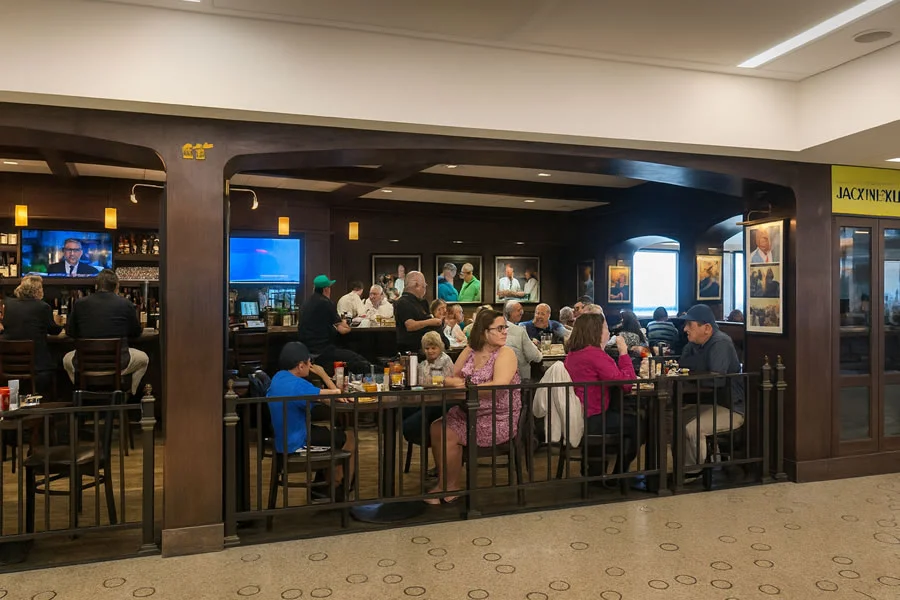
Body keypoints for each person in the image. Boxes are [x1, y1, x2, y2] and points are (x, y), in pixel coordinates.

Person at [426, 310, 521, 504]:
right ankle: (446, 484)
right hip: (468, 411)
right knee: (437, 427)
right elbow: (452, 376)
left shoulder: (506, 353)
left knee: (448, 432)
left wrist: (467, 387)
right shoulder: (470, 350)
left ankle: (449, 487)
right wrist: (452, 382)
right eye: (500, 328)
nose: (505, 331)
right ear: (484, 332)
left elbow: (498, 384)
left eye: (505, 327)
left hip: (497, 417)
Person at [266, 342, 355, 498]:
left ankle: (323, 487)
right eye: (309, 362)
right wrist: (323, 374)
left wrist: (326, 395)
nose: (311, 366)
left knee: (330, 436)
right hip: (297, 441)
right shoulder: (298, 385)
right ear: (301, 366)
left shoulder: (279, 378)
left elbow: (320, 397)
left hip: (284, 436)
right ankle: (339, 490)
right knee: (349, 437)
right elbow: (335, 394)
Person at [563, 312, 637, 475]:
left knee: (626, 419)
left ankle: (595, 470)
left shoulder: (573, 353)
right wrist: (624, 352)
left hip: (578, 415)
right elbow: (627, 384)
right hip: (592, 418)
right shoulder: (594, 354)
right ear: (596, 331)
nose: (609, 332)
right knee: (637, 423)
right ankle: (619, 474)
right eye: (605, 328)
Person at [678, 304, 744, 468]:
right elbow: (682, 363)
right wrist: (698, 367)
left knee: (692, 428)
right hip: (712, 403)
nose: (685, 329)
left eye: (690, 324)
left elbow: (715, 380)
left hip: (731, 408)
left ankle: (693, 472)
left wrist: (693, 368)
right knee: (674, 420)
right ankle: (682, 469)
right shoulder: (696, 342)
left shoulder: (721, 342)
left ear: (707, 328)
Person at [63, 269, 148, 395]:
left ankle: (82, 392)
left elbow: (70, 332)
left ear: (96, 286)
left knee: (66, 359)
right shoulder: (126, 304)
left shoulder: (79, 304)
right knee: (144, 359)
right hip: (119, 363)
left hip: (84, 364)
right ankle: (129, 394)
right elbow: (136, 332)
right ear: (116, 287)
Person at [1, 275, 62, 396]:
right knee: (59, 358)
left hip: (9, 364)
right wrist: (59, 324)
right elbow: (54, 331)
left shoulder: (8, 305)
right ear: (37, 290)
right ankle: (53, 400)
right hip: (38, 367)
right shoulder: (43, 307)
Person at [297, 274, 370, 375]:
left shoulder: (305, 303)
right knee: (357, 359)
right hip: (322, 351)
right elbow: (343, 330)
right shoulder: (326, 303)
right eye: (329, 288)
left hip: (307, 350)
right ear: (326, 289)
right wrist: (345, 324)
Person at [402, 331, 456, 450]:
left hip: (442, 402)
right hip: (425, 399)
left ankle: (426, 438)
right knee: (404, 409)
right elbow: (419, 382)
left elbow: (446, 381)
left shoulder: (445, 361)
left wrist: (429, 382)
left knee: (411, 423)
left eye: (433, 348)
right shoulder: (423, 364)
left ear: (440, 347)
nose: (430, 351)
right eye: (427, 348)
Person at [395, 271, 448, 353]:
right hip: (414, 348)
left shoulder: (422, 302)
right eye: (424, 286)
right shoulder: (403, 302)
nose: (425, 289)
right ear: (416, 285)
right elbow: (410, 325)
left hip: (431, 344)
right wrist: (431, 322)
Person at [504, 300, 542, 380]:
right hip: (520, 377)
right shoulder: (519, 331)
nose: (522, 312)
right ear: (510, 313)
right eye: (518, 310)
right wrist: (539, 352)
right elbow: (535, 356)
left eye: (521, 309)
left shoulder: (497, 327)